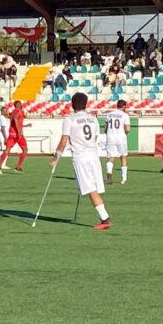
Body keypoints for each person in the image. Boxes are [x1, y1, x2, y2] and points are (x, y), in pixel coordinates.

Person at [50, 92, 112, 230]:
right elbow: (95, 138)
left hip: (81, 157)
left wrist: (55, 158)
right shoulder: (93, 119)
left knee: (90, 189)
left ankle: (105, 219)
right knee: (92, 188)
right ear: (86, 104)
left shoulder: (69, 119)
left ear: (72, 105)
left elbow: (64, 140)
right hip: (94, 156)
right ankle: (104, 218)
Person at [0, 101, 30, 174]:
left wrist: (25, 123)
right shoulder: (19, 111)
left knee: (7, 150)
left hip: (11, 133)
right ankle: (18, 167)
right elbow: (15, 119)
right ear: (18, 105)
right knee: (25, 150)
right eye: (21, 104)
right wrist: (18, 131)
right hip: (18, 134)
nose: (22, 105)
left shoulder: (13, 112)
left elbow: (15, 120)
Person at [104, 100, 131, 185]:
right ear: (124, 106)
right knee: (123, 157)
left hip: (110, 137)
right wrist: (125, 133)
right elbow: (128, 129)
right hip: (121, 138)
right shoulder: (125, 115)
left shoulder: (109, 114)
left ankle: (109, 172)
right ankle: (123, 179)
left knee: (111, 157)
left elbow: (105, 129)